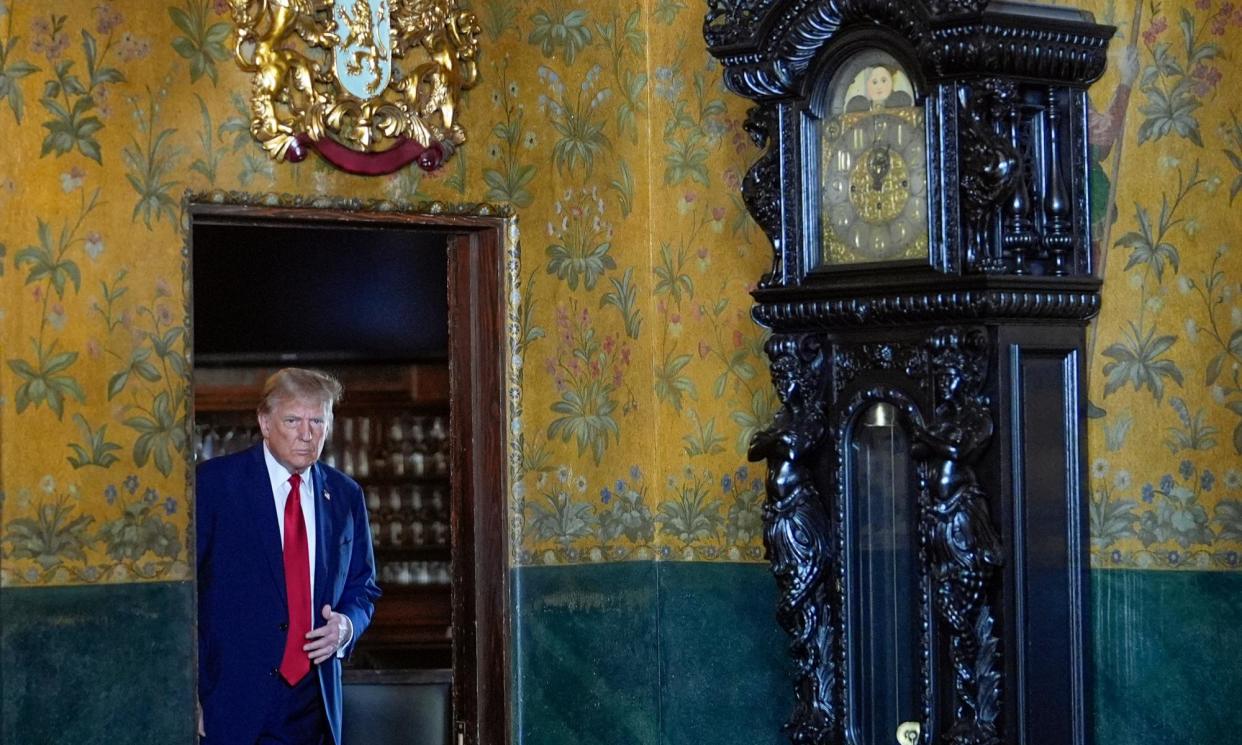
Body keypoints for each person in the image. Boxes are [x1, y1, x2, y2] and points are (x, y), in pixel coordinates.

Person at [197, 368, 381, 744]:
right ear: (265, 422)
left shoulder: (345, 495)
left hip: (314, 703)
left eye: (317, 421)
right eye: (293, 420)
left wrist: (345, 627)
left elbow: (363, 587)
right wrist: (190, 694)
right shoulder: (215, 485)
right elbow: (186, 596)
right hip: (233, 703)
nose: (306, 433)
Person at [845, 64, 913, 112]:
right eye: (874, 82)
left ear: (892, 83)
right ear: (868, 85)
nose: (879, 86)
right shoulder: (858, 107)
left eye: (884, 81)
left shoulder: (902, 103)